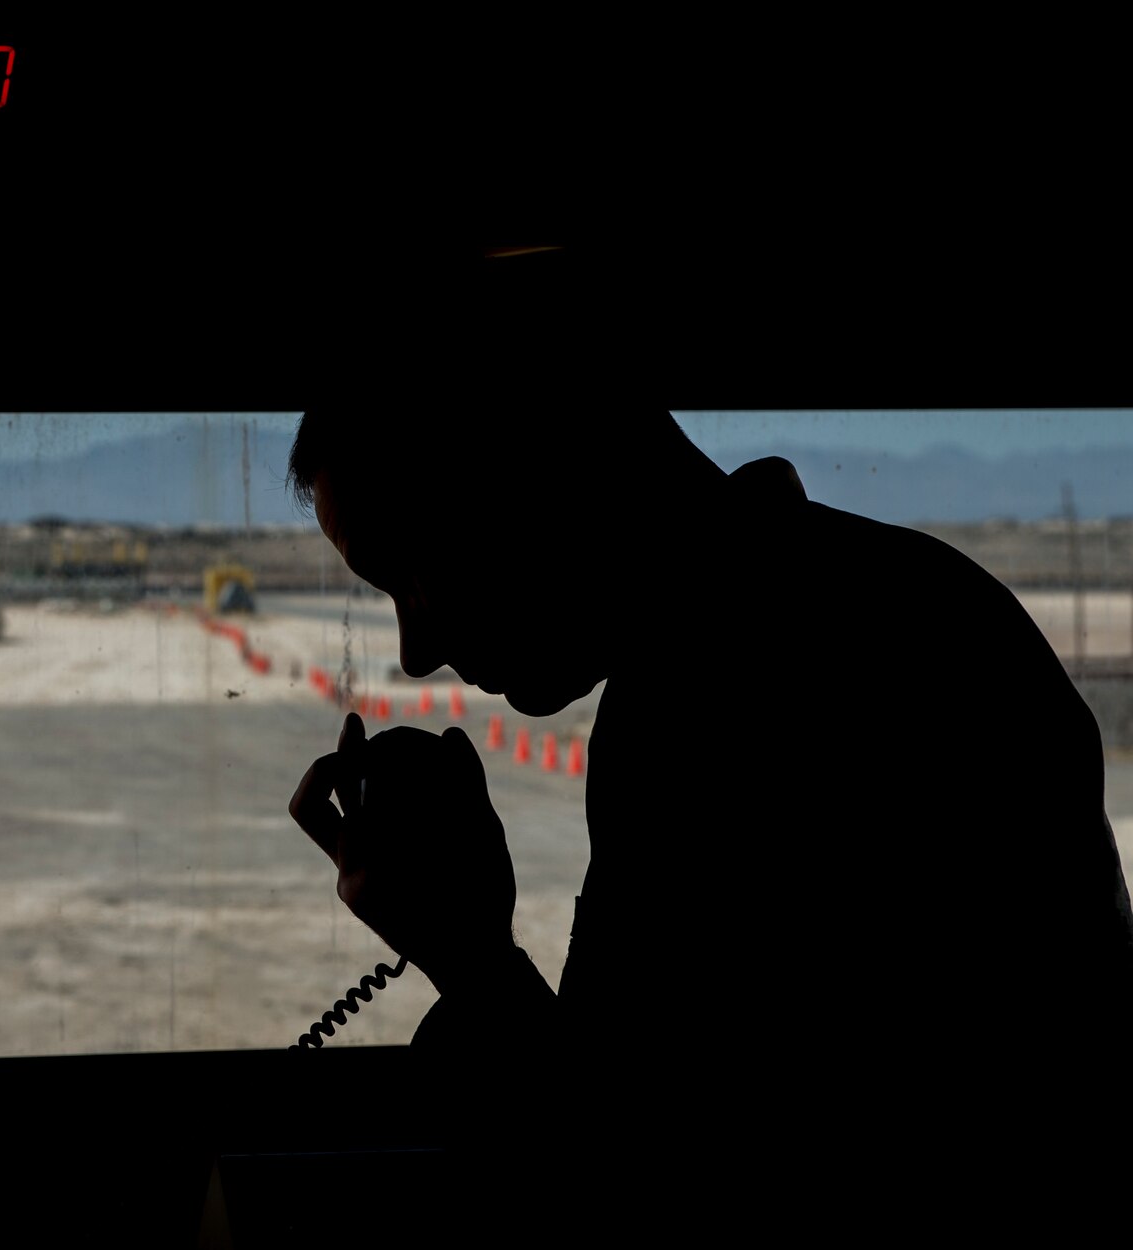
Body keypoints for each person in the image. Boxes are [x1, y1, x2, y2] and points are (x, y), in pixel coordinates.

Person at [283, 397, 1133, 1186]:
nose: (416, 647)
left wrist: (469, 956)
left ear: (519, 481)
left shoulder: (722, 698)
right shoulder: (907, 596)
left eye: (412, 570)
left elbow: (636, 1177)